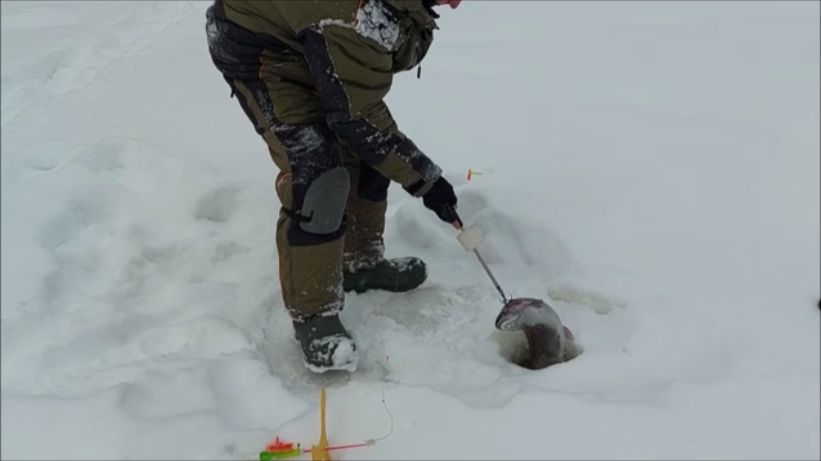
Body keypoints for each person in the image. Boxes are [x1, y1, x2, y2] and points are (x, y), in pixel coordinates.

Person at [206, 0, 462, 373]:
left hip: (310, 37)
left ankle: (360, 263)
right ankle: (314, 313)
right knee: (319, 173)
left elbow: (379, 70)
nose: (455, 4)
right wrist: (426, 181)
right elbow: (359, 117)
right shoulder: (350, 11)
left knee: (368, 154)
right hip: (260, 52)